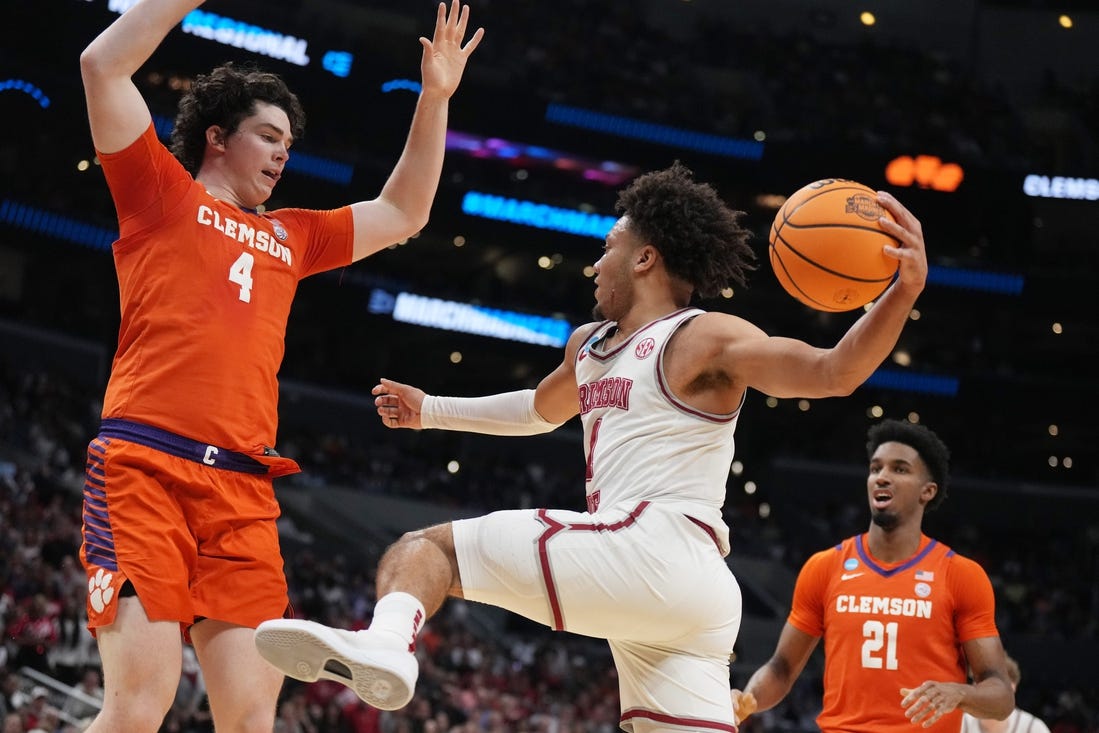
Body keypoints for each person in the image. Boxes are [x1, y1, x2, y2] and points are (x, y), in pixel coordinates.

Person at [255, 163, 929, 731]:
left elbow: (833, 371)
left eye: (607, 245)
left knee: (424, 549)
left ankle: (387, 646)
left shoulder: (700, 336)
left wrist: (901, 292)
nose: (594, 262)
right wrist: (430, 410)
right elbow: (536, 411)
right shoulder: (589, 345)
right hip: (688, 598)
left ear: (643, 257)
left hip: (648, 546)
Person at [76, 1, 482, 731]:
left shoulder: (293, 236)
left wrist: (435, 97)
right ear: (217, 138)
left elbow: (405, 210)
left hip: (240, 493)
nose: (280, 153)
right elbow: (101, 66)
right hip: (145, 469)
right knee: (139, 707)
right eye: (267, 135)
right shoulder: (159, 195)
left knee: (251, 716)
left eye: (287, 144)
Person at [730, 419, 1015, 731]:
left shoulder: (960, 575)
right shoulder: (825, 567)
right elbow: (781, 669)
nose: (882, 477)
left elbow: (1001, 696)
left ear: (927, 491)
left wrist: (960, 693)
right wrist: (748, 698)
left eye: (900, 469)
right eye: (876, 468)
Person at [961, 655, 1051, 733]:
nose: (989, 691)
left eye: (995, 684)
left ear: (1012, 688)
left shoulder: (1033, 727)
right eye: (982, 682)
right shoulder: (962, 723)